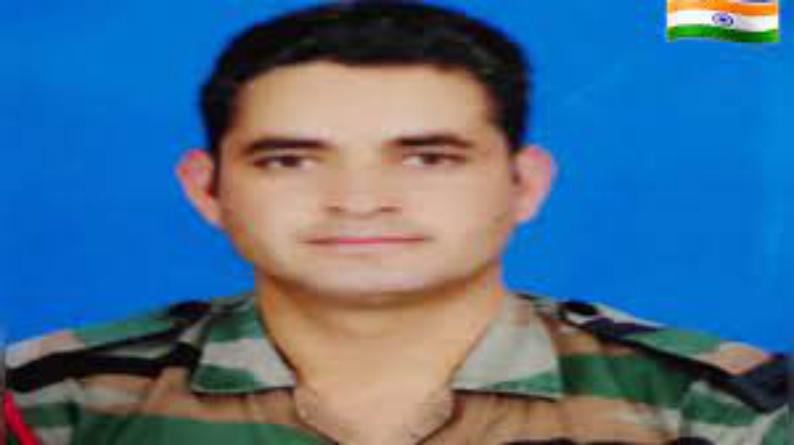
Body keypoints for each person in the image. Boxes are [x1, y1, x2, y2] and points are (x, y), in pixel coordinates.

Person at [4, 2, 789, 444]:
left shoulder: (719, 408)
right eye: (290, 159)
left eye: (427, 157)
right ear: (207, 188)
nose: (359, 200)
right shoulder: (51, 400)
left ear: (524, 184)